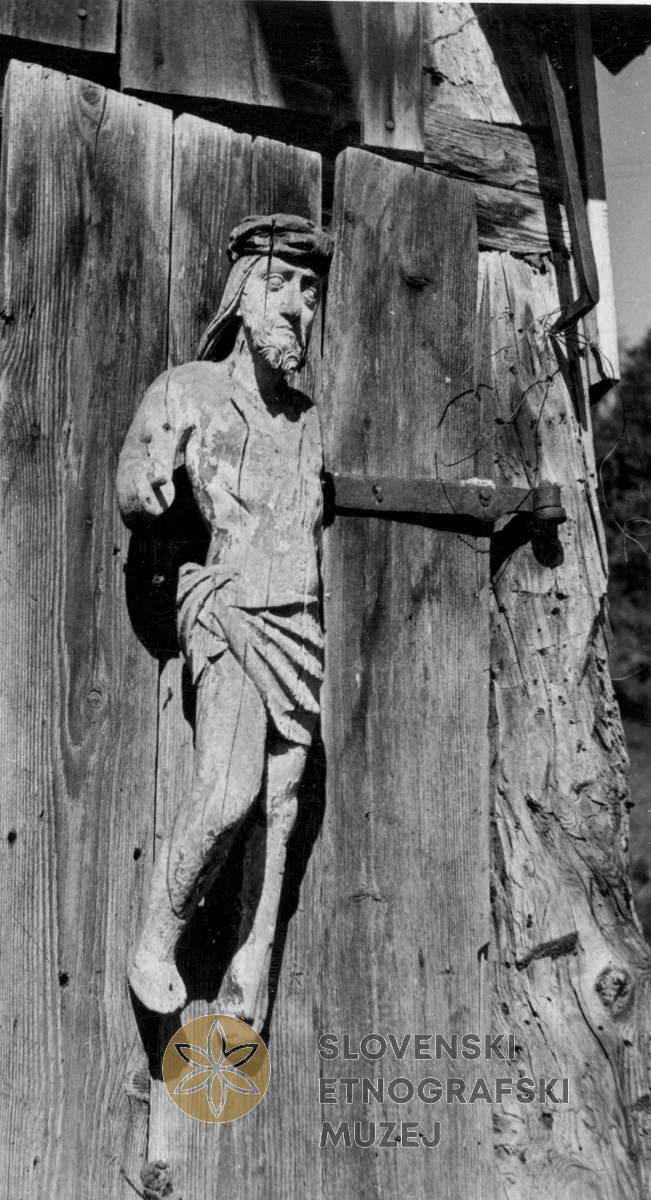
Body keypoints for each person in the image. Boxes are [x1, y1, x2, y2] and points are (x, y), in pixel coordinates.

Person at [117, 214, 333, 1027]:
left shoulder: (307, 418)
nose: (297, 308)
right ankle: (157, 937)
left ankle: (252, 963)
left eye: (309, 291)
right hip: (229, 606)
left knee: (282, 802)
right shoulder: (190, 388)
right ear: (242, 294)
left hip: (298, 618)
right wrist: (145, 485)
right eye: (279, 284)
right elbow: (136, 474)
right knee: (231, 789)